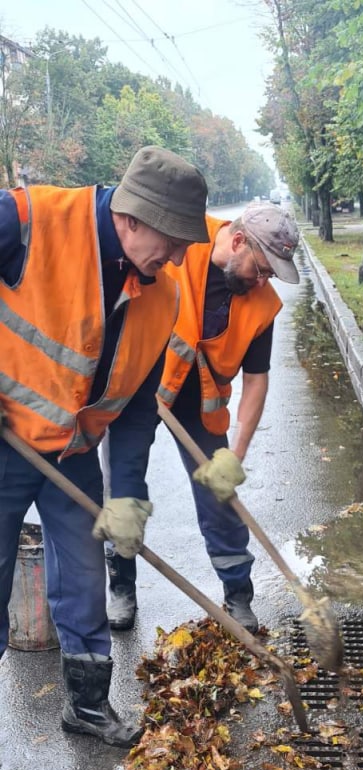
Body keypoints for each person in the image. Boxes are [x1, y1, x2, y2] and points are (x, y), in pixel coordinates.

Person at [0, 146, 209, 746]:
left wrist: (125, 496)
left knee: (87, 578)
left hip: (72, 456)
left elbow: (138, 406)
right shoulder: (29, 221)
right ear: (130, 218)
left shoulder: (161, 293)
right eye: (170, 240)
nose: (175, 256)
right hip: (7, 444)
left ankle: (87, 707)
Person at [105, 201, 300, 634]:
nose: (264, 281)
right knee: (124, 487)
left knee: (220, 496)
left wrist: (237, 456)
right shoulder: (180, 242)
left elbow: (256, 380)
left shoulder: (261, 306)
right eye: (262, 269)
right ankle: (121, 585)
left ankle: (238, 594)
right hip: (139, 390)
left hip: (199, 404)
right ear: (236, 242)